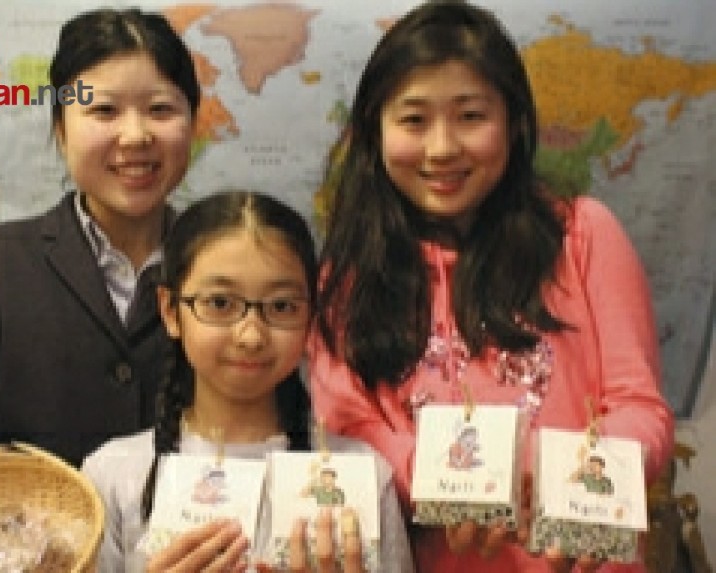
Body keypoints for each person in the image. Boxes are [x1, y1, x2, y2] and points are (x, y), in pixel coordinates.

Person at [307, 1, 674, 571]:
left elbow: (638, 407)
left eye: (471, 116)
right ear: (374, 132)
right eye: (413, 120)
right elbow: (350, 430)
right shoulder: (349, 273)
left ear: (515, 121)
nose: (441, 148)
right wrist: (453, 484)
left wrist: (557, 479)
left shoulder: (583, 235)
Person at [0, 8, 200, 468]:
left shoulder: (223, 265)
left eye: (160, 109)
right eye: (104, 111)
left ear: (192, 124)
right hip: (38, 515)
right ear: (60, 128)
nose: (135, 136)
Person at [82, 191, 413, 572]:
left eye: (282, 306)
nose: (251, 336)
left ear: (311, 316)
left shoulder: (362, 475)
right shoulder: (114, 474)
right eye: (220, 303)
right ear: (170, 310)